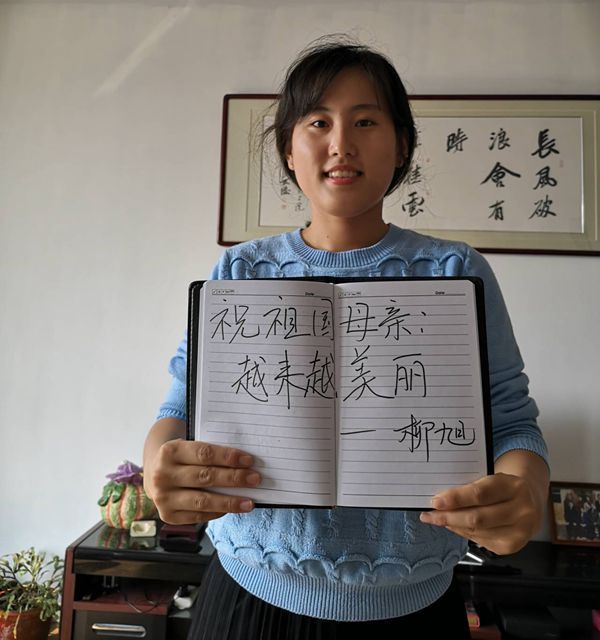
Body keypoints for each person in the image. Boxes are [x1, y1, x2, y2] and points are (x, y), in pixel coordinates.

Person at [143, 38, 549, 639]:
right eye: (318, 122)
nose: (341, 143)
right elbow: (180, 407)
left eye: (365, 121)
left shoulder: (454, 270)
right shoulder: (241, 270)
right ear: (289, 148)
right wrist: (159, 466)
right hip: (249, 596)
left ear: (402, 144)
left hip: (415, 609)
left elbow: (512, 422)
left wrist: (524, 491)